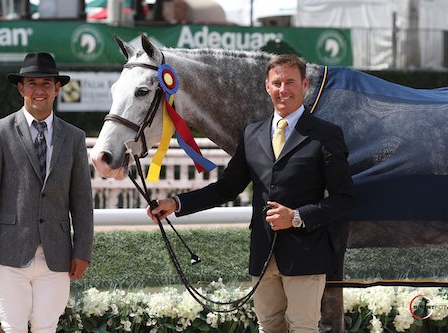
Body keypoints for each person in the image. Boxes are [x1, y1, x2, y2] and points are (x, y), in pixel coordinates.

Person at [147, 54, 355, 333]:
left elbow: (344, 199)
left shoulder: (327, 135)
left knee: (303, 327)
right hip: (262, 255)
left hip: (307, 255)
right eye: (277, 83)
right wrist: (176, 203)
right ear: (267, 87)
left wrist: (296, 217)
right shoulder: (252, 134)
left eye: (290, 82)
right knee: (268, 327)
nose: (283, 90)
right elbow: (227, 187)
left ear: (304, 85)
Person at [0, 52, 94, 333]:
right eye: (32, 83)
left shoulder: (74, 137)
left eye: (46, 84)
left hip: (57, 254)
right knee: (12, 327)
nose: (39, 90)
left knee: (46, 327)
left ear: (57, 88)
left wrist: (82, 251)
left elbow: (82, 200)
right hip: (7, 253)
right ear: (21, 88)